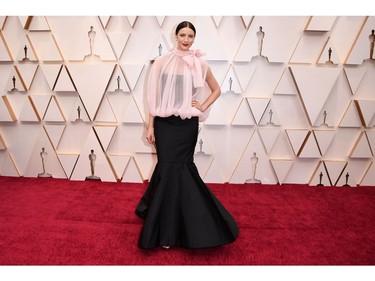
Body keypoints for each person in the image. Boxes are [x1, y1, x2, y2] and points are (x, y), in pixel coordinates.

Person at [135, 21, 239, 250]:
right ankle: (165, 226)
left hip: (187, 126)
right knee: (166, 168)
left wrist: (201, 106)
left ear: (194, 38)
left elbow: (217, 89)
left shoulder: (199, 63)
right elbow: (153, 98)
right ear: (175, 36)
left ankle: (181, 226)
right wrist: (150, 126)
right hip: (164, 124)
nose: (186, 39)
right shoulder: (161, 63)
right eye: (182, 34)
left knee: (182, 170)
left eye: (190, 35)